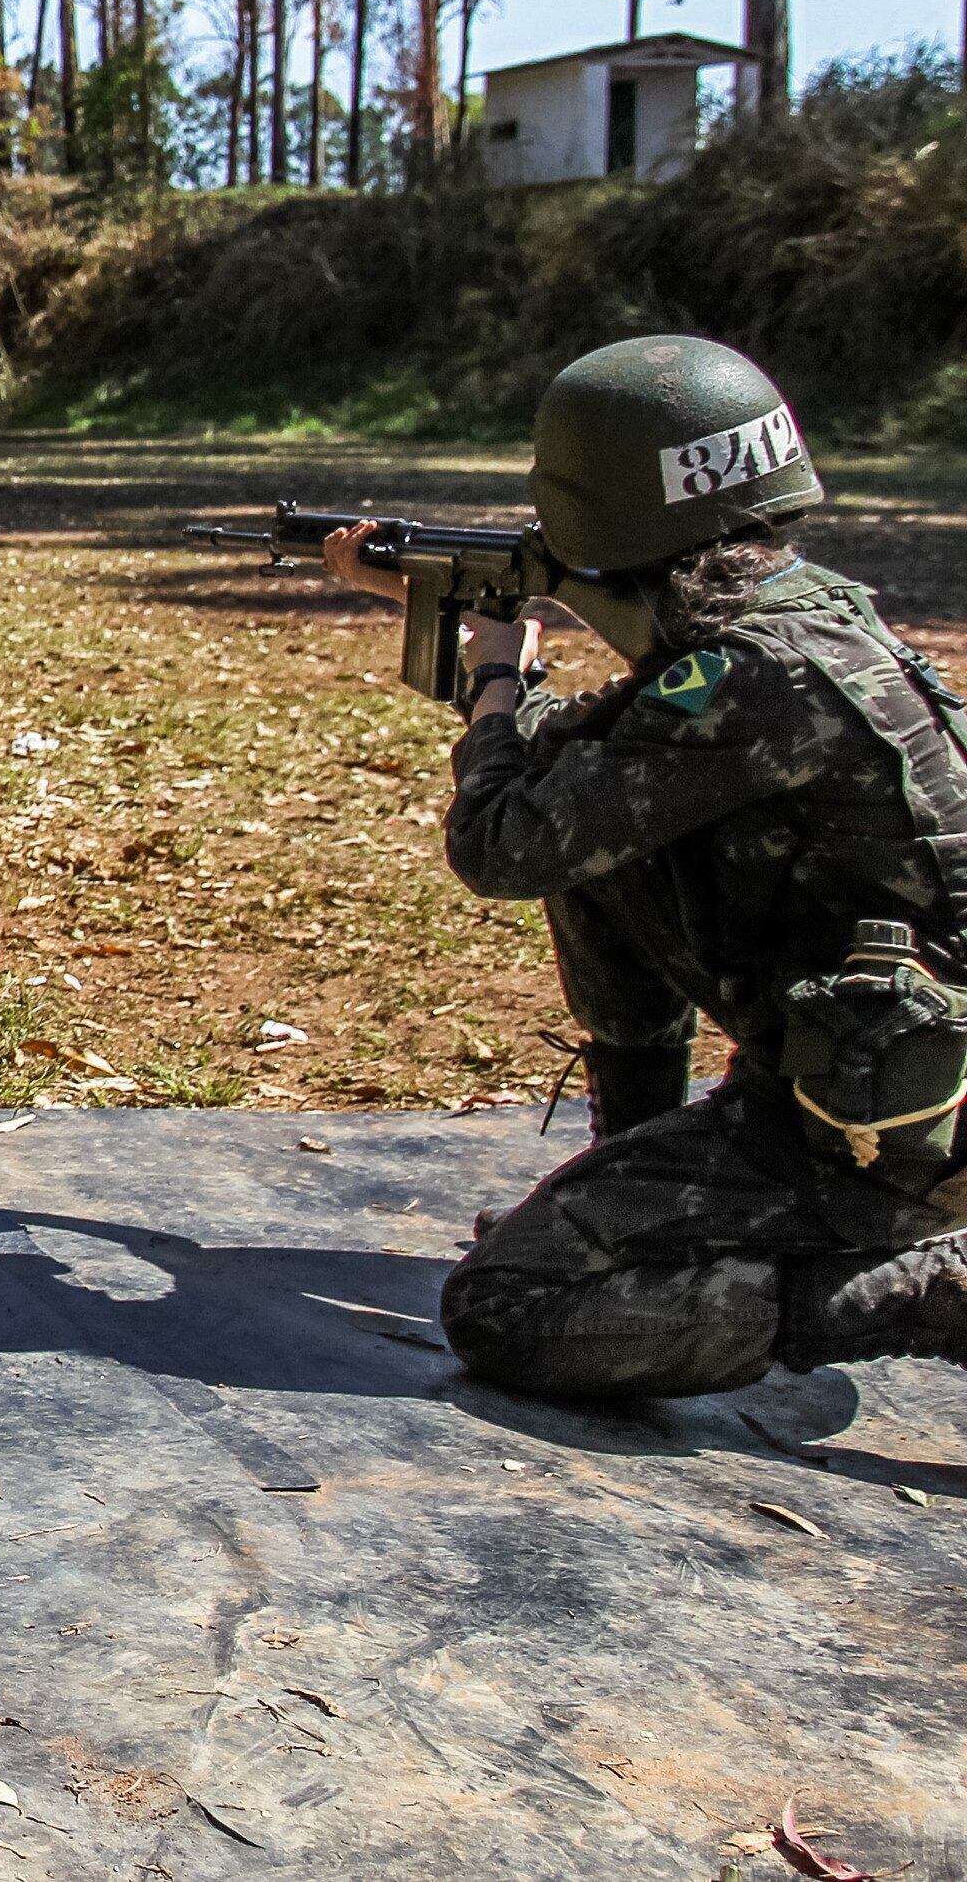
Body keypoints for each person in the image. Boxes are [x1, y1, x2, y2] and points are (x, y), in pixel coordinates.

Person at [322, 338, 967, 1399]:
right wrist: (464, 645)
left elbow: (501, 841)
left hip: (877, 1131)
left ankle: (915, 1290)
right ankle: (646, 1173)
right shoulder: (806, 623)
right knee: (594, 837)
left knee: (508, 1305)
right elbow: (585, 777)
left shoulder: (744, 676)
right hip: (899, 1078)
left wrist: (493, 673)